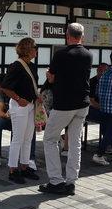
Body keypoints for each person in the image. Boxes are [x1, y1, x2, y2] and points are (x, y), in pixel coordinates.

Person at [39, 23, 92, 195]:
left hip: (64, 105)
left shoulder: (60, 54)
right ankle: (71, 182)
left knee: (50, 139)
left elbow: (52, 79)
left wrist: (49, 76)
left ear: (67, 36)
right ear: (81, 37)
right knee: (75, 142)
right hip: (82, 104)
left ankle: (56, 181)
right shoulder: (88, 54)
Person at [0, 38, 41, 184]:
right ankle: (12, 169)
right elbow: (4, 87)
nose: (37, 50)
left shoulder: (33, 66)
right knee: (17, 138)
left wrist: (37, 97)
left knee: (27, 138)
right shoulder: (16, 66)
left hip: (30, 105)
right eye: (35, 47)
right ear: (28, 49)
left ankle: (24, 166)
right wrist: (18, 98)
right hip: (19, 106)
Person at [0, 74, 37, 171]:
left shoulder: (17, 90)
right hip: (8, 117)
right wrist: (8, 115)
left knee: (29, 131)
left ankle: (29, 159)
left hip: (20, 114)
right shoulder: (0, 93)